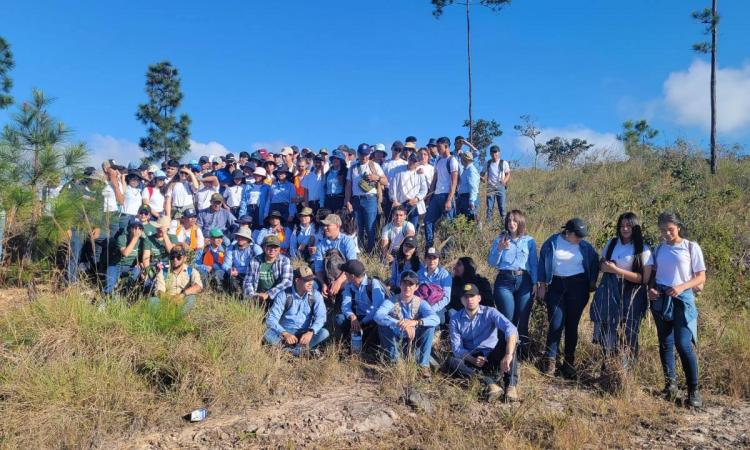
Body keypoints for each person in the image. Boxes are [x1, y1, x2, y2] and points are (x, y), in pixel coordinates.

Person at [647, 211, 706, 407]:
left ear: (678, 227)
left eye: (670, 229)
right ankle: (670, 385)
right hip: (661, 299)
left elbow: (700, 277)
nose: (666, 233)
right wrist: (651, 289)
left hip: (682, 299)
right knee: (665, 343)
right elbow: (654, 274)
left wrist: (681, 287)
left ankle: (693, 390)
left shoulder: (690, 247)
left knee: (683, 343)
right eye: (663, 230)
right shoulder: (658, 249)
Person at [590, 212, 654, 384]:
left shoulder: (643, 249)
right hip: (610, 290)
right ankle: (608, 370)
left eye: (629, 225)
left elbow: (643, 279)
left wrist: (617, 271)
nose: (625, 229)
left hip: (633, 293)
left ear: (635, 227)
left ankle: (626, 376)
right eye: (622, 225)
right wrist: (608, 268)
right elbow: (602, 265)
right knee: (607, 329)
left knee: (629, 333)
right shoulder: (612, 243)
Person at [537, 218, 600, 379]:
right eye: (577, 235)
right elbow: (542, 263)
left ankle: (569, 363)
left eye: (582, 236)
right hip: (556, 285)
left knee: (572, 325)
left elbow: (595, 262)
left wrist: (592, 281)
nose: (580, 239)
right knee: (555, 323)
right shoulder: (552, 243)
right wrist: (542, 285)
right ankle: (551, 361)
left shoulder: (585, 247)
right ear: (568, 232)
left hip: (578, 287)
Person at [444, 283, 520, 401]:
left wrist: (508, 354)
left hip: (492, 353)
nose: (469, 299)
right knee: (451, 361)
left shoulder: (490, 312)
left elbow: (511, 329)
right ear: (461, 300)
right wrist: (472, 359)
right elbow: (457, 348)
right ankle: (489, 383)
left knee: (510, 342)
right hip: (472, 357)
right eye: (466, 297)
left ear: (479, 298)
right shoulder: (455, 319)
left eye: (472, 296)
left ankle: (511, 386)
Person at [487, 210, 538, 360]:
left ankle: (520, 357)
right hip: (504, 281)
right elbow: (491, 262)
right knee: (507, 320)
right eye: (509, 221)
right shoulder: (500, 240)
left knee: (522, 320)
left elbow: (534, 263)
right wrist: (500, 249)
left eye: (514, 221)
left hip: (524, 281)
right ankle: (502, 355)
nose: (511, 223)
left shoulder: (529, 241)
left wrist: (535, 283)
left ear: (520, 222)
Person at [375, 270, 439, 377]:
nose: (407, 287)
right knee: (383, 326)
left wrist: (416, 322)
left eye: (411, 284)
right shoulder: (391, 301)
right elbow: (378, 315)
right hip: (396, 339)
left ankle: (423, 365)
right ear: (400, 284)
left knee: (430, 327)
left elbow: (435, 319)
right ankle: (395, 362)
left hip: (413, 340)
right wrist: (399, 323)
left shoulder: (421, 303)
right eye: (404, 283)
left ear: (416, 287)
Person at [264, 265, 330, 356]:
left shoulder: (316, 295)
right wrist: (285, 333)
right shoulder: (284, 295)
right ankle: (298, 352)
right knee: (266, 333)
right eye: (306, 280)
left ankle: (287, 352)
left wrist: (311, 332)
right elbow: (271, 319)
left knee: (324, 333)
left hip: (305, 333)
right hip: (285, 333)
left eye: (311, 279)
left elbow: (321, 317)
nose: (311, 283)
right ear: (297, 280)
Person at [336, 260, 387, 353]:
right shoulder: (349, 285)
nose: (344, 275)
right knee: (340, 318)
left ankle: (369, 344)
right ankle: (351, 341)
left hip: (371, 320)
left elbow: (377, 310)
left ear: (352, 276)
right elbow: (345, 305)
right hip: (357, 317)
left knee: (378, 322)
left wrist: (362, 322)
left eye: (345, 273)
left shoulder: (374, 284)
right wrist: (352, 317)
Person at [345, 143, 388, 253]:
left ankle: (370, 252)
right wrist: (347, 201)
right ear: (358, 154)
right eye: (362, 154)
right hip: (356, 200)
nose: (364, 157)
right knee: (358, 228)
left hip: (370, 199)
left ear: (369, 154)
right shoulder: (352, 168)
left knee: (370, 227)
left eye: (366, 154)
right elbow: (348, 185)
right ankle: (359, 250)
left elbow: (386, 181)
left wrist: (376, 177)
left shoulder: (374, 166)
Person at [313, 213, 359, 300]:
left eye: (328, 225)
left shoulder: (347, 241)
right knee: (312, 285)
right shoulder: (321, 244)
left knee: (349, 287)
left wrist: (338, 282)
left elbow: (351, 266)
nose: (325, 228)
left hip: (345, 278)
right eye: (324, 225)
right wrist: (323, 284)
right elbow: (318, 269)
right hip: (327, 278)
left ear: (337, 226)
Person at [424, 137, 459, 249]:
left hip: (446, 196)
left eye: (439, 147)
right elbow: (435, 178)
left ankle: (447, 251)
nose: (437, 149)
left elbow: (454, 182)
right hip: (436, 195)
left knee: (447, 225)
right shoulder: (438, 160)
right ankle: (429, 246)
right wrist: (429, 195)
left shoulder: (452, 160)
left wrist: (449, 199)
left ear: (446, 147)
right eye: (437, 147)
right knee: (428, 220)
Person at [151, 243, 203, 313]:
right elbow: (159, 292)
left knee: (191, 298)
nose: (175, 259)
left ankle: (179, 317)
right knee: (152, 301)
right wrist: (172, 299)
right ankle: (163, 316)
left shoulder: (191, 271)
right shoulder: (163, 272)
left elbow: (198, 287)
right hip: (167, 300)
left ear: (185, 258)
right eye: (172, 256)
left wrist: (182, 295)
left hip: (183, 300)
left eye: (178, 257)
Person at [104, 218, 152, 295]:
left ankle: (124, 293)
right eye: (134, 227)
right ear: (130, 229)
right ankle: (106, 298)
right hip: (117, 265)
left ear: (142, 230)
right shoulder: (122, 238)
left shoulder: (143, 241)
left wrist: (140, 262)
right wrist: (135, 238)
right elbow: (125, 253)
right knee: (110, 284)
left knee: (136, 272)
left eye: (140, 228)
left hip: (131, 267)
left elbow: (145, 255)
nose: (137, 230)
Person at [243, 235, 294, 307]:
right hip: (257, 296)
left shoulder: (285, 260)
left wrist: (268, 294)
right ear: (263, 247)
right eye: (269, 246)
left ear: (279, 249)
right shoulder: (255, 260)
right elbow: (248, 281)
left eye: (275, 247)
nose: (272, 249)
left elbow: (287, 282)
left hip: (276, 297)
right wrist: (253, 296)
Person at [390, 153, 428, 231]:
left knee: (413, 229)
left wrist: (417, 199)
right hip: (401, 204)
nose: (412, 163)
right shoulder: (399, 170)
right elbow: (392, 187)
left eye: (414, 161)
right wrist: (394, 200)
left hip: (414, 204)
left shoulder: (420, 172)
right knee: (400, 229)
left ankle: (412, 243)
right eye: (411, 160)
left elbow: (424, 189)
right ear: (408, 160)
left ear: (417, 162)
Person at [221, 225, 262, 295]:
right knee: (220, 274)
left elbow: (261, 264)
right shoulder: (231, 248)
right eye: (239, 236)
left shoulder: (255, 248)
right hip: (236, 274)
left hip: (251, 275)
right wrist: (229, 270)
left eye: (243, 237)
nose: (240, 238)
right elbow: (225, 264)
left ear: (248, 239)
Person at [418, 247, 452, 324]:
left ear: (438, 259)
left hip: (437, 307)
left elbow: (446, 298)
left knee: (433, 320)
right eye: (429, 258)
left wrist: (431, 309)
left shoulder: (444, 275)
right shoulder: (419, 273)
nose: (432, 261)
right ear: (425, 259)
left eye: (434, 258)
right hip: (421, 305)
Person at [482, 145, 511, 222]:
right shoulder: (487, 163)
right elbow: (481, 174)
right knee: (489, 207)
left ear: (499, 153)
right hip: (490, 187)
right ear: (490, 154)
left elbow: (508, 174)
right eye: (492, 152)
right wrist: (482, 178)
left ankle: (504, 225)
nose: (494, 154)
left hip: (500, 187)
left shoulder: (503, 163)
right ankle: (489, 226)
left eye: (496, 152)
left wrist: (504, 181)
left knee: (502, 207)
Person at [456, 151, 480, 221]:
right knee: (465, 220)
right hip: (464, 198)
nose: (460, 160)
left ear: (465, 159)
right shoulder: (466, 169)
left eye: (462, 158)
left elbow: (473, 187)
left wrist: (472, 201)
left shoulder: (471, 170)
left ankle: (475, 231)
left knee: (471, 219)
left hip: (468, 198)